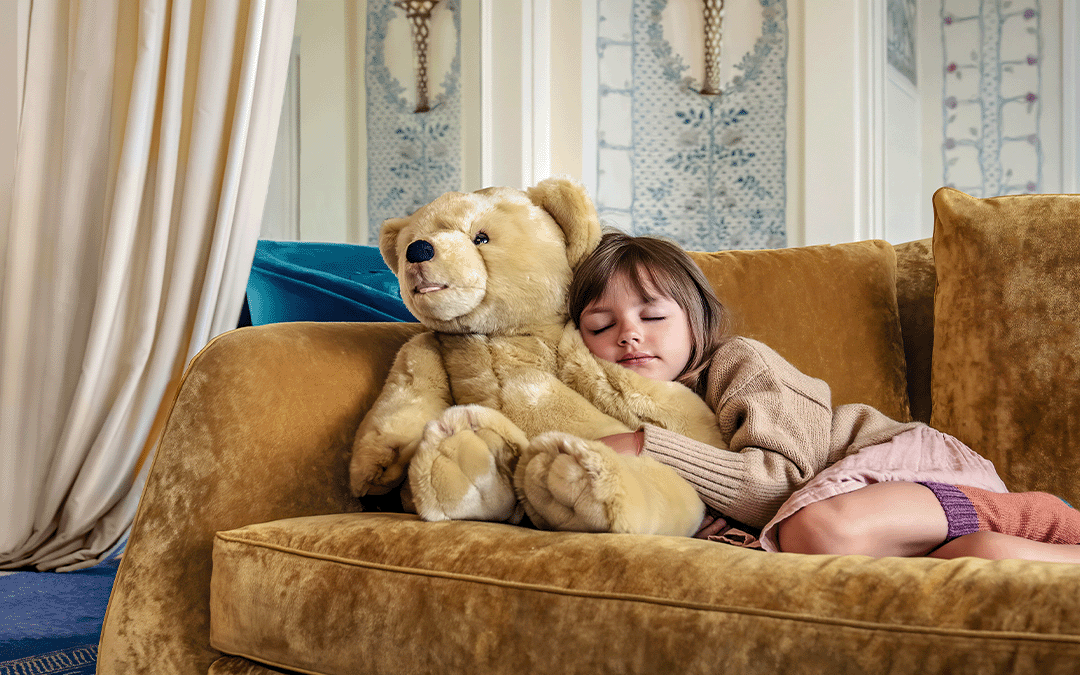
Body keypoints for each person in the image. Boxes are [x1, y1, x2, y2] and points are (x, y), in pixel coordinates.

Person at [567, 230, 1080, 562]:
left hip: (904, 468)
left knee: (817, 533)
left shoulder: (740, 363)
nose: (629, 335)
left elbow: (778, 483)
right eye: (601, 324)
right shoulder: (607, 399)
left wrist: (643, 446)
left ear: (696, 320)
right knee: (978, 560)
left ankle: (1043, 516)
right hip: (898, 528)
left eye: (653, 317)